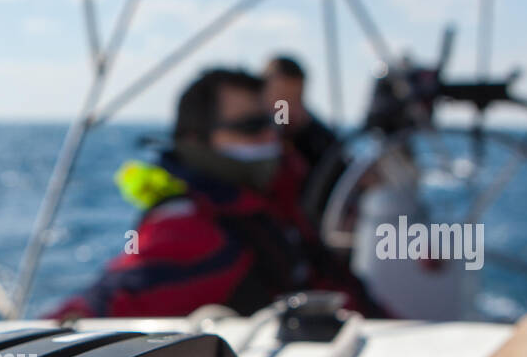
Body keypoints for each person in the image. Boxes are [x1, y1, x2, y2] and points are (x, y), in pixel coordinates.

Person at [47, 67, 377, 320]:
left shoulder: (274, 197)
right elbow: (106, 304)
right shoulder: (191, 224)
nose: (268, 138)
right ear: (196, 142)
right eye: (250, 127)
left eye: (272, 124)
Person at [262, 55, 338, 176]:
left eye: (296, 99)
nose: (290, 109)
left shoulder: (320, 139)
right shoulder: (246, 136)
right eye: (283, 100)